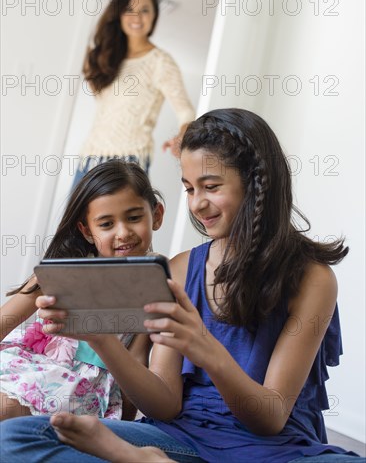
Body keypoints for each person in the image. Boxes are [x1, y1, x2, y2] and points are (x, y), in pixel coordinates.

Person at [1, 108, 364, 463]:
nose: (197, 204)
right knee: (19, 436)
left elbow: (269, 419)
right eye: (189, 189)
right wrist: (100, 338)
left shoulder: (312, 278)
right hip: (176, 438)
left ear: (256, 183)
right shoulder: (179, 268)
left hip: (274, 448)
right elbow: (165, 404)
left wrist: (204, 346)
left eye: (211, 187)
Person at [0, 159, 164, 422]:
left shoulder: (152, 285)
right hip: (32, 364)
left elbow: (136, 360)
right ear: (87, 230)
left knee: (5, 409)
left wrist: (128, 432)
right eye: (106, 224)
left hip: (83, 388)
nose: (123, 233)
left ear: (156, 215)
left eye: (133, 218)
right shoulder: (64, 268)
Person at [72, 0, 195, 186]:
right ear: (119, 13)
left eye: (145, 10)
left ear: (154, 15)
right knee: (75, 219)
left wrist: (182, 137)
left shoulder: (161, 62)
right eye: (129, 9)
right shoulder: (107, 58)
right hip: (89, 158)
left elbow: (186, 113)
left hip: (128, 162)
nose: (137, 17)